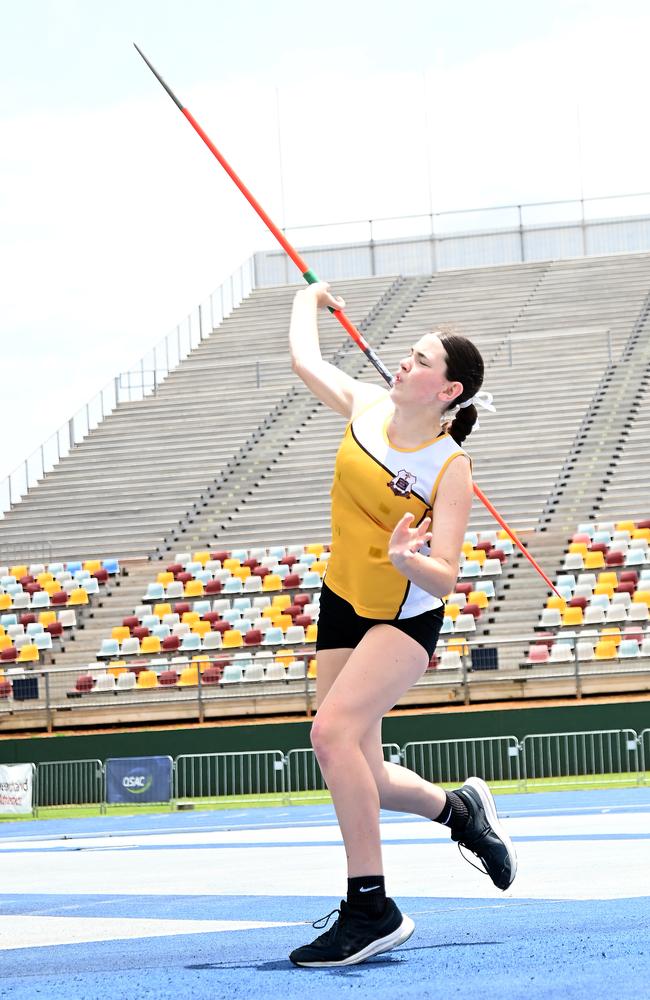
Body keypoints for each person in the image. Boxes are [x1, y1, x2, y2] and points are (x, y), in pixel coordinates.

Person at [287, 282, 516, 969]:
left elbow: (446, 574)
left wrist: (406, 561)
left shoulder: (449, 468)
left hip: (403, 616)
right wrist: (312, 300)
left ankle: (370, 908)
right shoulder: (366, 405)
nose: (403, 366)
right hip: (342, 601)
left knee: (329, 736)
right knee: (367, 774)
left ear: (447, 391)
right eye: (408, 355)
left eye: (419, 362)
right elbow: (304, 360)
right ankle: (461, 811)